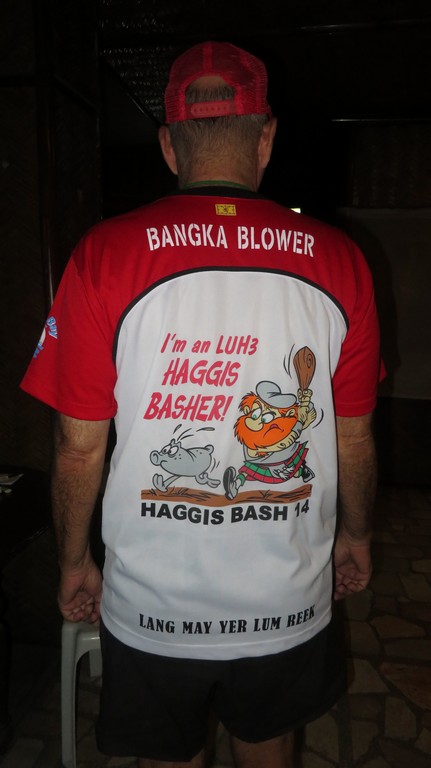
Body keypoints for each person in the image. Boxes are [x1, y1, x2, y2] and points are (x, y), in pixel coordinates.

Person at [21, 41, 382, 768]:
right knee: (268, 751)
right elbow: (352, 439)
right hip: (286, 600)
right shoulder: (339, 259)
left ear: (168, 145)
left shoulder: (104, 255)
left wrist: (73, 560)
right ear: (266, 137)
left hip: (154, 611)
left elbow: (78, 446)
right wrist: (356, 533)